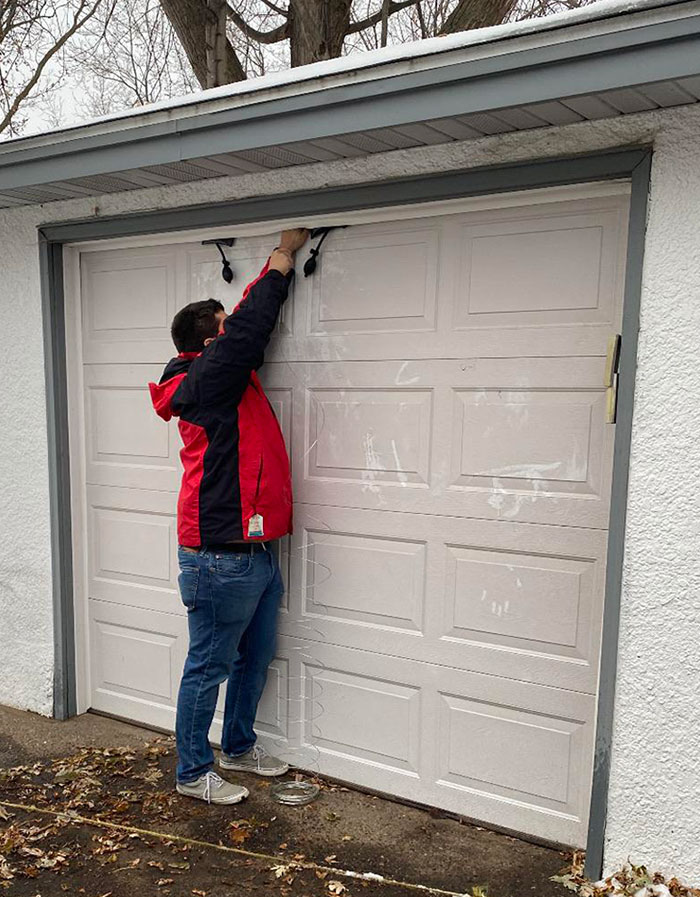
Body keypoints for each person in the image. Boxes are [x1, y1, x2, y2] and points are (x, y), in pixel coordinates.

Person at [149, 227, 309, 805]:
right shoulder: (207, 378)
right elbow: (246, 328)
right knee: (208, 667)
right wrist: (281, 259)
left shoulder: (214, 372)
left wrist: (270, 270)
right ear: (209, 343)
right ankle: (193, 772)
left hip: (253, 552)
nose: (232, 329)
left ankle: (238, 747)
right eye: (223, 327)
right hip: (218, 557)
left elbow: (238, 324)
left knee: (254, 657)